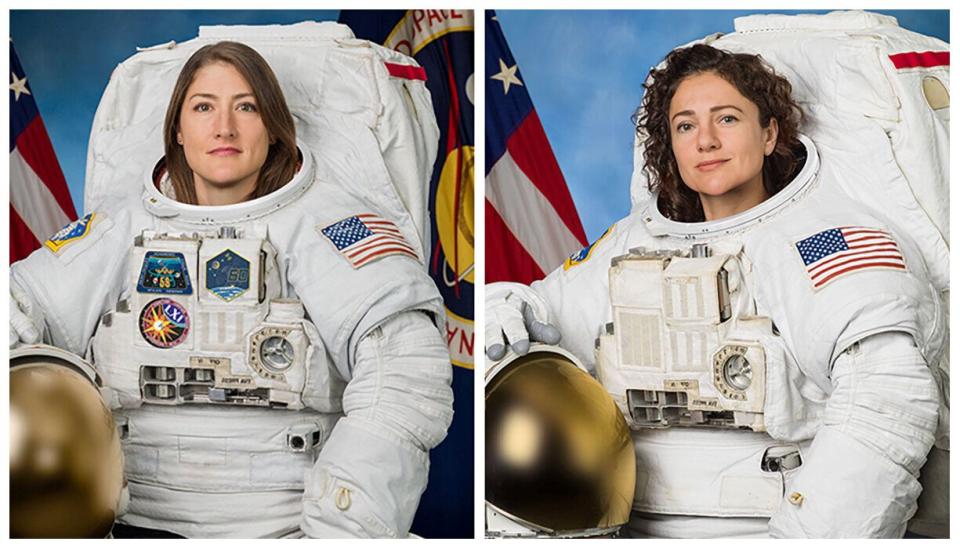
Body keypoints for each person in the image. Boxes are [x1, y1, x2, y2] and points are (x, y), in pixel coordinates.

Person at [486, 43, 944, 538]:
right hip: (620, 523)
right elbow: (543, 316)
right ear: (670, 145)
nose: (705, 140)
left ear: (769, 133)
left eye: (726, 119)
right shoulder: (633, 240)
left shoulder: (825, 237)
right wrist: (503, 307)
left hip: (772, 525)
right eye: (685, 125)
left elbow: (888, 398)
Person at [10, 40, 454, 538]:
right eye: (204, 107)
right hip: (125, 519)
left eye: (247, 106)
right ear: (177, 129)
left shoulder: (332, 224)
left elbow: (405, 377)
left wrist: (342, 529)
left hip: (289, 528)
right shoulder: (121, 224)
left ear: (274, 127)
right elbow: (22, 306)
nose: (225, 127)